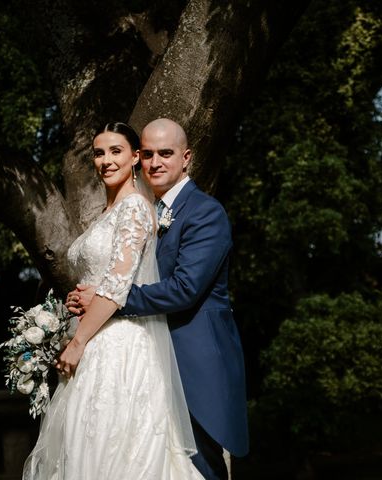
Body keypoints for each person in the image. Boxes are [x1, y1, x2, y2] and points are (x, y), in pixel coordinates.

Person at [68, 118, 249, 480]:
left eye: (165, 153)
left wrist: (110, 299)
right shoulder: (146, 209)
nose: (155, 162)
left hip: (193, 362)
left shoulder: (205, 212)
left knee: (198, 469)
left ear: (187, 158)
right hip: (145, 360)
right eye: (148, 154)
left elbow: (185, 288)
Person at [22, 122, 203, 480]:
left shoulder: (134, 208)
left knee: (115, 450)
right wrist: (76, 301)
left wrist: (76, 342)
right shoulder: (106, 214)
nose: (105, 160)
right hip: (95, 340)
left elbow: (118, 286)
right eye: (99, 152)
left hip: (119, 346)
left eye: (115, 151)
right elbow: (100, 279)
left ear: (135, 157)